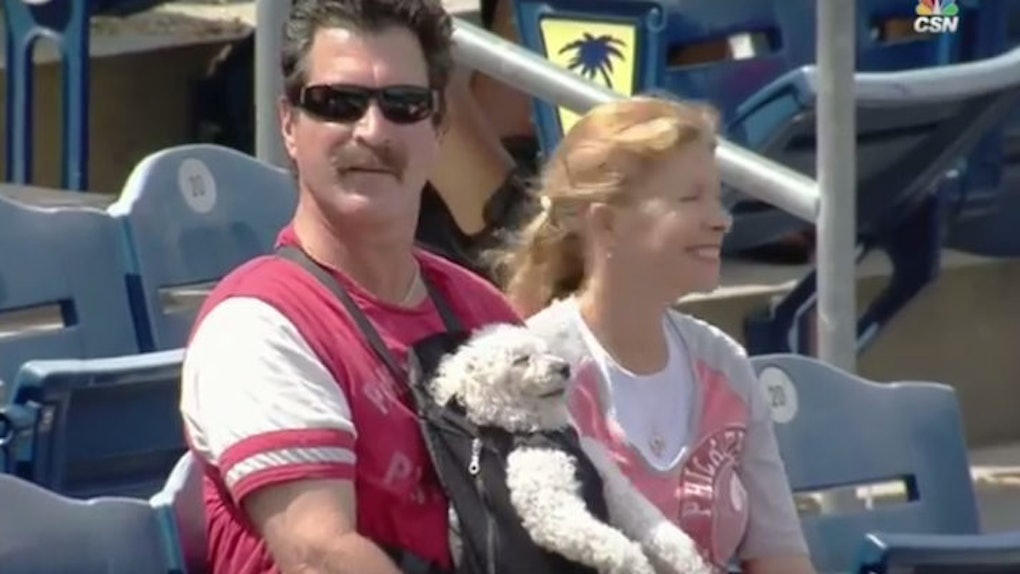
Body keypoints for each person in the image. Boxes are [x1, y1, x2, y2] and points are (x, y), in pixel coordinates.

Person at [179, 1, 520, 573]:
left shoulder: (482, 310)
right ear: (289, 125)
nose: (372, 130)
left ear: (438, 129)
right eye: (338, 103)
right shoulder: (257, 325)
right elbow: (319, 556)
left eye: (404, 105)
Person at [493, 96, 816, 574]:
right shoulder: (534, 366)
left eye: (718, 197)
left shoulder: (723, 362)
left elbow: (780, 557)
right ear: (608, 222)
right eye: (691, 198)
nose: (722, 218)